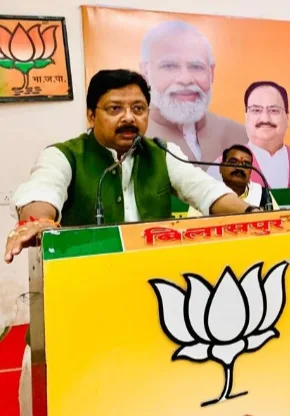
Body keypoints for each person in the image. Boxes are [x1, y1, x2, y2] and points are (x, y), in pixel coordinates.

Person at [7, 69, 256, 415]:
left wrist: (253, 214)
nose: (129, 118)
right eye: (115, 108)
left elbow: (208, 192)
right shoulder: (65, 155)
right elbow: (44, 188)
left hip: (146, 315)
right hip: (78, 311)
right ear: (91, 115)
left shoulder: (163, 154)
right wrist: (38, 219)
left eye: (138, 109)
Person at [140, 20, 248, 167]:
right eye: (170, 66)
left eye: (196, 67)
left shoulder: (239, 136)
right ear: (145, 72)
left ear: (211, 73)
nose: (185, 79)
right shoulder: (131, 142)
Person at [209, 81, 290, 189]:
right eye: (256, 110)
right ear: (246, 116)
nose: (265, 119)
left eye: (274, 110)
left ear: (287, 117)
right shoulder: (221, 167)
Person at [188, 144, 278, 217]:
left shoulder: (263, 195)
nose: (239, 167)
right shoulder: (206, 195)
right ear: (221, 168)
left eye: (246, 164)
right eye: (233, 162)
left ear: (250, 172)